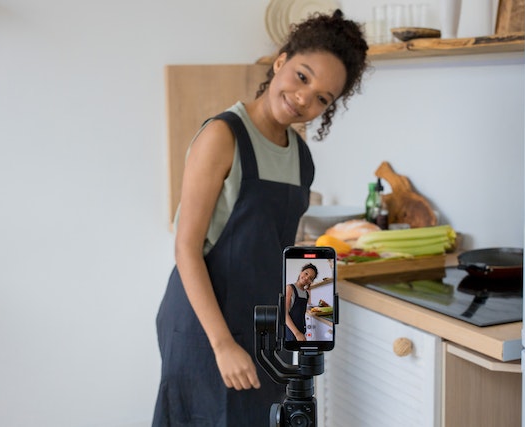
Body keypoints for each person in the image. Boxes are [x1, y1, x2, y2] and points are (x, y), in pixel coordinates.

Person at [153, 9, 368, 426]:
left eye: (324, 97)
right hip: (205, 326)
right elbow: (185, 248)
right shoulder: (223, 136)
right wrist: (221, 344)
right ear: (281, 61)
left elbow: (289, 248)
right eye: (303, 76)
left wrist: (310, 327)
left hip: (264, 328)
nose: (306, 98)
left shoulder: (301, 157)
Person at [284, 263, 318, 341]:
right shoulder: (290, 288)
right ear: (301, 272)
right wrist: (297, 333)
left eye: (310, 278)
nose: (306, 278)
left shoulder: (306, 293)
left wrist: (310, 291)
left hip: (302, 331)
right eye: (306, 273)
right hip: (291, 332)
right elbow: (284, 314)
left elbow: (307, 306)